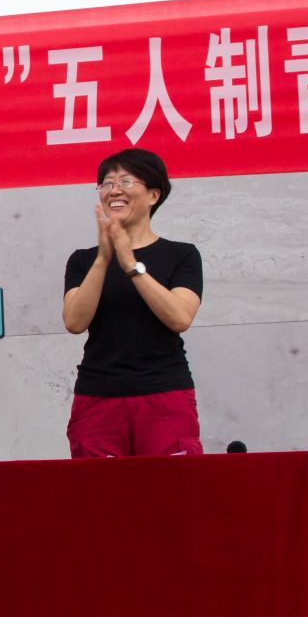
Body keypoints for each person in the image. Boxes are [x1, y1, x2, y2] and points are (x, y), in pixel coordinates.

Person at [62, 149, 203, 457]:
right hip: (98, 396)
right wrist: (104, 258)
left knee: (173, 486)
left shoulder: (181, 255)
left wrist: (130, 263)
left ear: (154, 194)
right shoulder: (83, 260)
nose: (114, 190)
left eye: (126, 181)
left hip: (165, 394)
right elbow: (74, 322)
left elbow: (180, 317)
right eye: (107, 183)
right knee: (98, 488)